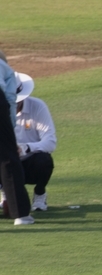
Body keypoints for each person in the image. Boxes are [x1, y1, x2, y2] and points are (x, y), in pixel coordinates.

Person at [14, 72, 57, 212]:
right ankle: (5, 195)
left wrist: (25, 147)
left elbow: (50, 142)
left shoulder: (37, 106)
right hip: (5, 162)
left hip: (29, 162)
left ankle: (39, 193)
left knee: (44, 160)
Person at [0, 51, 33, 225]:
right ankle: (20, 214)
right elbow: (11, 99)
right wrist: (10, 139)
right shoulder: (5, 68)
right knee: (8, 159)